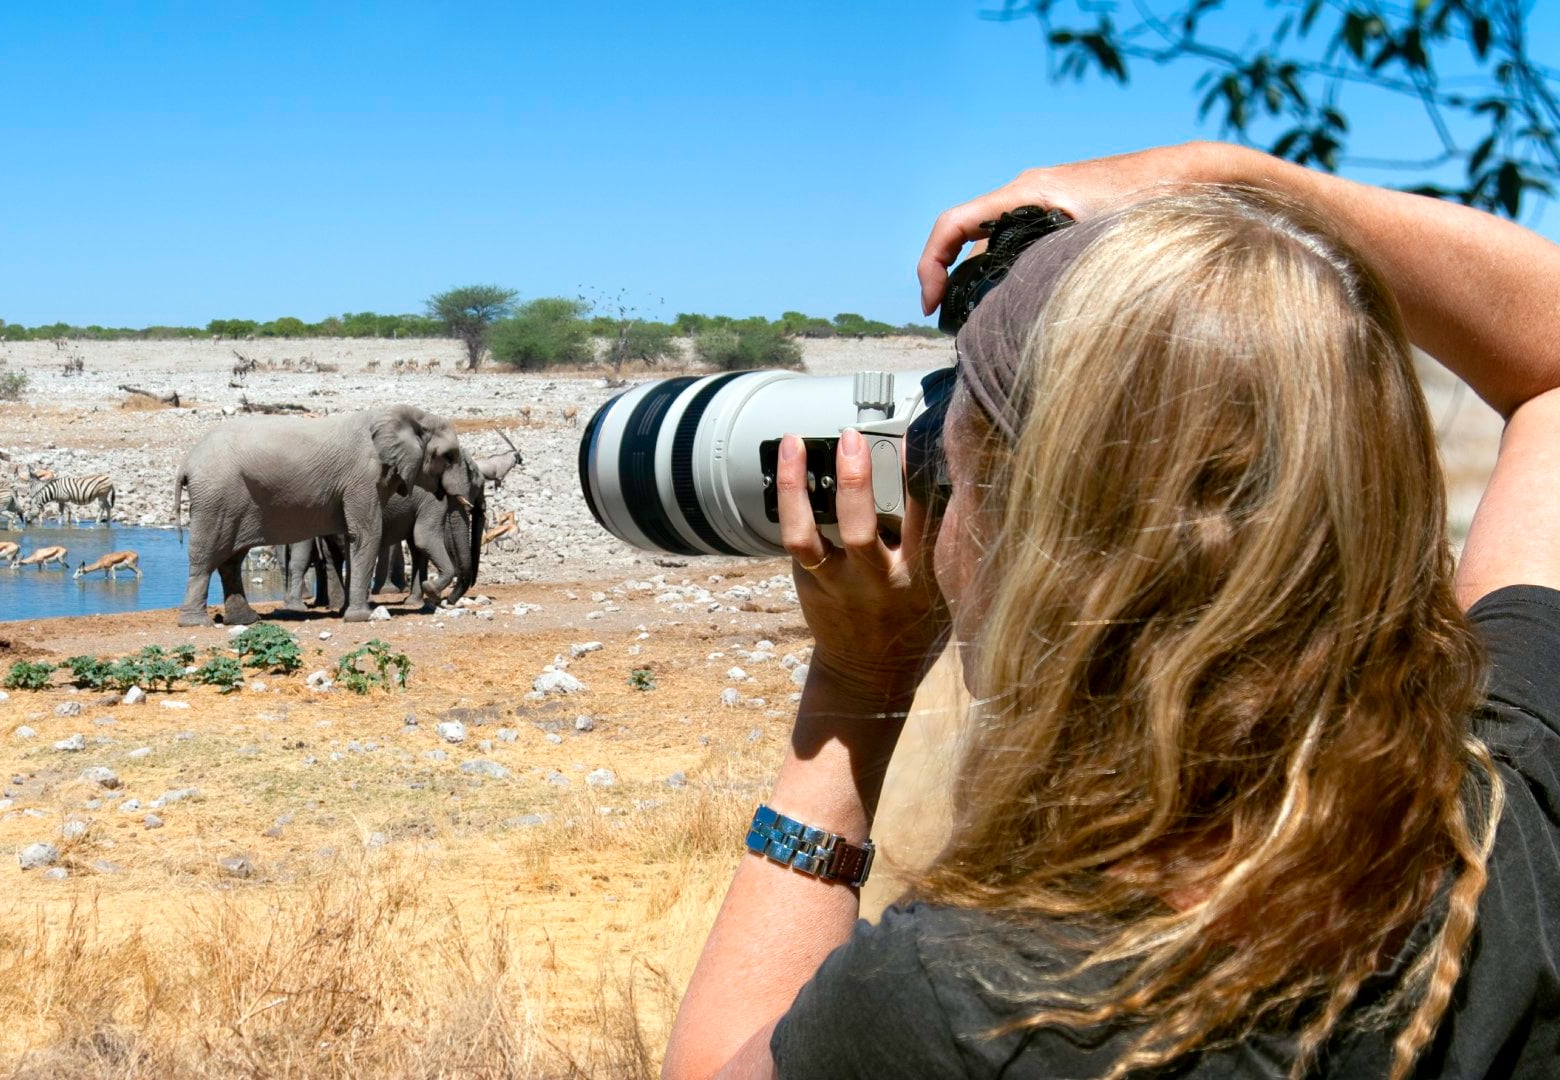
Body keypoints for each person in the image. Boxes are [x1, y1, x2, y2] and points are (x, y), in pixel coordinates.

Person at [662, 141, 1560, 1078]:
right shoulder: (1504, 808)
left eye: (957, 478)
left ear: (1036, 546)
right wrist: (1238, 180)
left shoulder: (984, 1004)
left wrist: (853, 688)